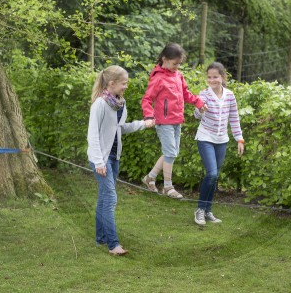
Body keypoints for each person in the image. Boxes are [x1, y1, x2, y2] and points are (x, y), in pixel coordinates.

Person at [87, 65, 155, 256]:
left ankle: (101, 237)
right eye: (124, 83)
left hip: (114, 157)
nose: (126, 86)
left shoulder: (119, 103)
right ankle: (113, 244)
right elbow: (92, 135)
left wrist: (143, 124)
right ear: (111, 83)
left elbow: (120, 128)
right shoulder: (100, 104)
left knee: (104, 197)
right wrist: (99, 162)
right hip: (101, 159)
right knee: (110, 199)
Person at [141, 43, 207, 199]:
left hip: (177, 120)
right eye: (174, 63)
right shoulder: (158, 78)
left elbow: (186, 94)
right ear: (165, 59)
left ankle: (149, 178)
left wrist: (199, 102)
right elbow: (146, 99)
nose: (177, 67)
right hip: (163, 122)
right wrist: (149, 116)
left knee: (171, 152)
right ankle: (168, 187)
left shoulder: (178, 75)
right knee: (170, 152)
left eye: (179, 64)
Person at [193, 62, 244, 225]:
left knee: (214, 178)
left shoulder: (230, 95)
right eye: (209, 77)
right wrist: (200, 110)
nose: (212, 80)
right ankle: (200, 209)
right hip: (205, 137)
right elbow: (196, 115)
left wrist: (239, 138)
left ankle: (208, 211)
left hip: (222, 140)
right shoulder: (204, 94)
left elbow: (234, 118)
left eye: (215, 77)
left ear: (222, 77)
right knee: (212, 174)